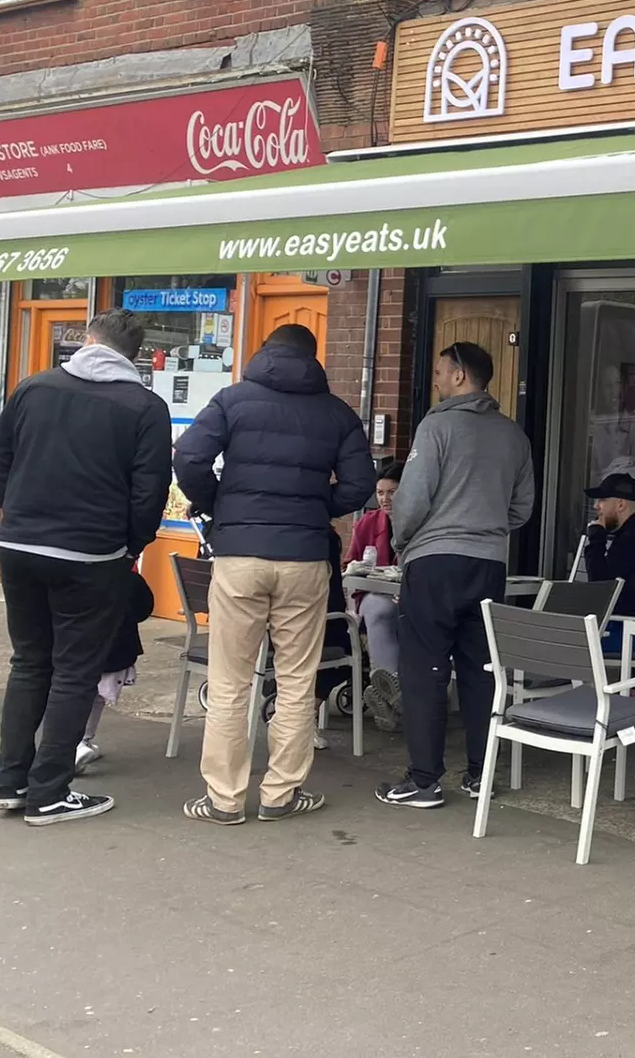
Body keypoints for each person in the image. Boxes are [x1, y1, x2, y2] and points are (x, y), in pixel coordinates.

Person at [173, 323, 374, 825]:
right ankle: (280, 795)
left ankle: (223, 800)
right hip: (304, 557)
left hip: (239, 555)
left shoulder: (232, 400)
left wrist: (219, 504)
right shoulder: (337, 413)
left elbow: (189, 457)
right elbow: (360, 485)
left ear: (265, 352)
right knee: (297, 680)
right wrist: (315, 507)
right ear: (313, 358)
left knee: (229, 681)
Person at [0, 309, 170, 826]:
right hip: (91, 555)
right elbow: (149, 492)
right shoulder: (145, 407)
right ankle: (49, 793)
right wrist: (129, 547)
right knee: (74, 671)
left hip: (19, 547)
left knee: (29, 662)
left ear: (87, 340)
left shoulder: (33, 388)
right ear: (134, 355)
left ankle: (12, 782)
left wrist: (19, 513)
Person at [378, 341, 535, 810]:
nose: (437, 380)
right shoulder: (513, 436)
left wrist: (403, 541)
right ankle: (480, 775)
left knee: (424, 669)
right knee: (481, 670)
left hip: (434, 561)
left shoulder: (437, 426)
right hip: (489, 564)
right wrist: (486, 527)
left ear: (461, 375)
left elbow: (411, 499)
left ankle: (424, 780)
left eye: (441, 372)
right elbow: (522, 508)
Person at [75, 561, 156, 775]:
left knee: (73, 693)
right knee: (96, 697)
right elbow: (144, 608)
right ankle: (79, 743)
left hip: (73, 648)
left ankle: (76, 743)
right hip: (114, 650)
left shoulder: (73, 573)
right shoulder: (128, 578)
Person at [576, 471, 635, 653]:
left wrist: (596, 539)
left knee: (560, 640)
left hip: (632, 631)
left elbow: (600, 588)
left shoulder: (633, 539)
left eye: (602, 500)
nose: (596, 506)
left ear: (620, 504)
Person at [350, 462, 405, 732]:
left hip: (413, 596)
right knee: (379, 609)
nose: (385, 499)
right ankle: (398, 693)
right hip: (376, 595)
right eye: (380, 492)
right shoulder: (367, 523)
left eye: (392, 492)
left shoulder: (424, 523)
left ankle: (387, 696)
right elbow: (350, 565)